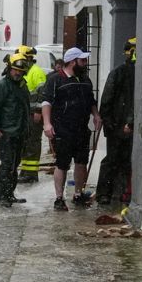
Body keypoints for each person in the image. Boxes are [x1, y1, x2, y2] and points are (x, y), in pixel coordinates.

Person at [41, 47, 101, 211]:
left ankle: (78, 194)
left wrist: (96, 115)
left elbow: (91, 101)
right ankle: (59, 198)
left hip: (81, 128)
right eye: (82, 61)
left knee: (81, 162)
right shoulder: (55, 80)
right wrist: (47, 124)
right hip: (62, 129)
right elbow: (46, 102)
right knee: (62, 164)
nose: (85, 63)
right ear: (73, 62)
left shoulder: (85, 80)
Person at [96, 37, 137, 205]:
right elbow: (107, 100)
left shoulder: (140, 72)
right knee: (112, 159)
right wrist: (111, 124)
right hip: (117, 125)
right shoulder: (119, 72)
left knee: (125, 161)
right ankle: (104, 193)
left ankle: (119, 193)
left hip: (128, 124)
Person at [0, 55, 31, 207]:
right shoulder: (1, 86)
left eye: (20, 70)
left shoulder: (22, 86)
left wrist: (27, 130)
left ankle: (9, 194)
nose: (17, 73)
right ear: (9, 68)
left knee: (15, 164)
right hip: (6, 132)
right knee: (7, 164)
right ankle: (0, 196)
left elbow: (25, 109)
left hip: (19, 131)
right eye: (15, 70)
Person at [15, 45, 48, 184]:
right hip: (25, 114)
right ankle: (25, 171)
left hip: (34, 114)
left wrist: (38, 111)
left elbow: (43, 94)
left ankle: (31, 174)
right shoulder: (25, 72)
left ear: (28, 58)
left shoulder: (36, 72)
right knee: (25, 143)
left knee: (32, 143)